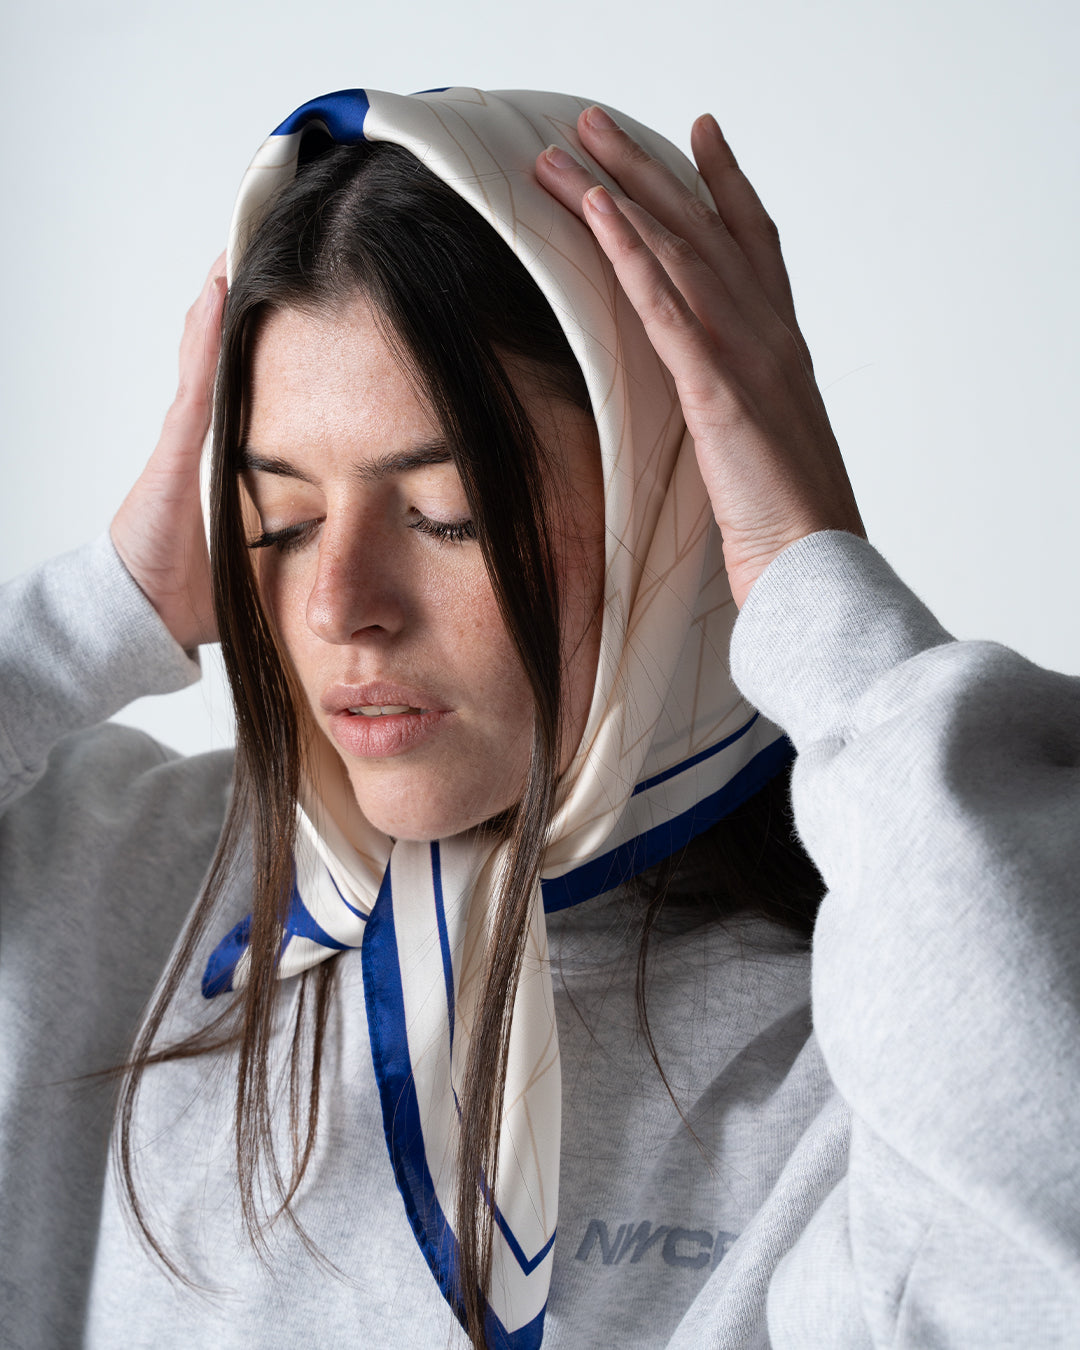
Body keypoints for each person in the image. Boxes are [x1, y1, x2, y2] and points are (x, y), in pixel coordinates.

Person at [1, 86, 1077, 1350]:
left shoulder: (880, 1021)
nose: (341, 603)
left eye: (448, 513)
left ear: (665, 507)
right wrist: (104, 604)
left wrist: (810, 570)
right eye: (279, 518)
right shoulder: (103, 879)